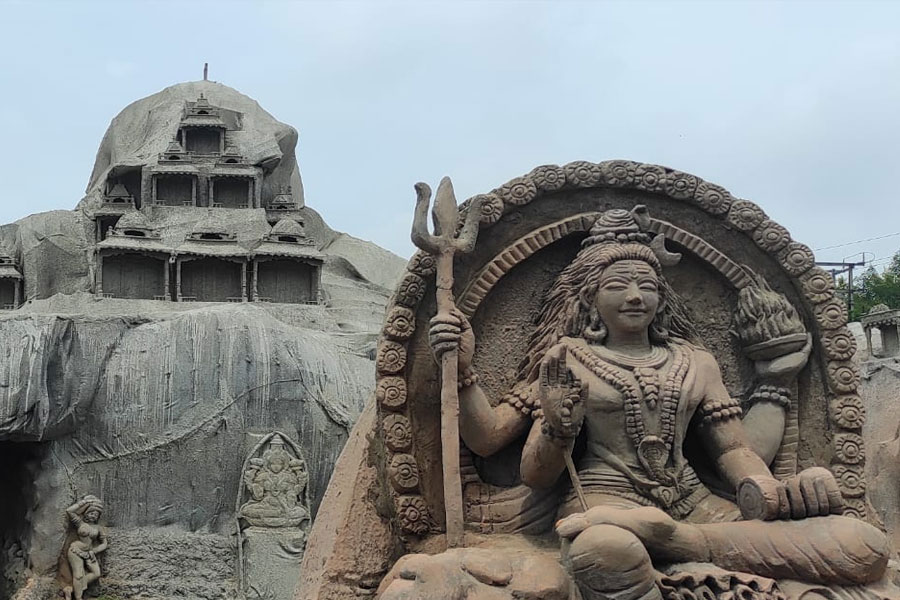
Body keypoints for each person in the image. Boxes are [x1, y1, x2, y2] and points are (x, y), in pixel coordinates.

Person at [429, 208, 889, 599]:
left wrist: (770, 490)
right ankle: (671, 544)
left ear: (661, 296)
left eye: (646, 286)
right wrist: (474, 377)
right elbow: (493, 443)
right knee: (602, 553)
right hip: (603, 505)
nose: (635, 296)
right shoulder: (567, 356)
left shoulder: (696, 361)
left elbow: (734, 451)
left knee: (862, 545)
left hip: (698, 507)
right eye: (618, 286)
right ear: (588, 298)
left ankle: (676, 542)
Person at [61, 495, 108, 600]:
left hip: (90, 553)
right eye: (91, 513)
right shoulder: (80, 523)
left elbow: (104, 543)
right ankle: (79, 597)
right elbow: (69, 511)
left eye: (96, 515)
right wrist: (84, 502)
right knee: (78, 575)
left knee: (96, 573)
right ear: (86, 513)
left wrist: (94, 551)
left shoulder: (98, 528)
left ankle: (71, 589)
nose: (93, 516)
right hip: (76, 550)